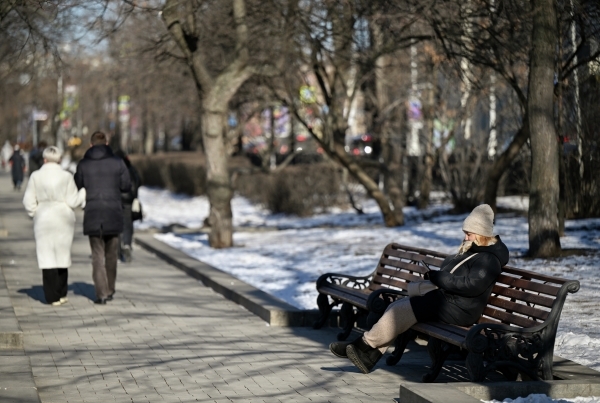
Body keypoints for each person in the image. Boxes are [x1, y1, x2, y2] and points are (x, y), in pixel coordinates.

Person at [329, 204, 509, 374]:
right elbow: (455, 275)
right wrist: (438, 275)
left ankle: (362, 345)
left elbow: (471, 286)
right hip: (450, 301)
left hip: (461, 309)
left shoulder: (488, 259)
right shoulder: (473, 252)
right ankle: (368, 356)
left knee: (402, 309)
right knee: (397, 306)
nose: (465, 237)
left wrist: (440, 277)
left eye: (469, 234)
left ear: (481, 234)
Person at [22, 146, 86, 305]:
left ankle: (52, 296)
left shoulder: (36, 176)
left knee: (47, 257)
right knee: (62, 254)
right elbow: (73, 201)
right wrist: (84, 192)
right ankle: (62, 292)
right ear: (59, 159)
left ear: (44, 159)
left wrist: (35, 212)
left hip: (43, 218)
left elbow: (28, 201)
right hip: (63, 218)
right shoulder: (66, 176)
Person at [74, 132, 131, 305]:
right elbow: (126, 185)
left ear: (91, 145)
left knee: (97, 256)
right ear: (106, 143)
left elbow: (77, 184)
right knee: (111, 255)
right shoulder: (117, 162)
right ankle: (110, 288)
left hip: (93, 213)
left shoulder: (84, 164)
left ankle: (101, 294)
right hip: (112, 212)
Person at [114, 150, 142, 263]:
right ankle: (127, 244)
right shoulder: (131, 169)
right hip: (129, 200)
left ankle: (117, 249)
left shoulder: (113, 170)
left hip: (116, 200)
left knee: (116, 225)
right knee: (127, 224)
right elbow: (138, 181)